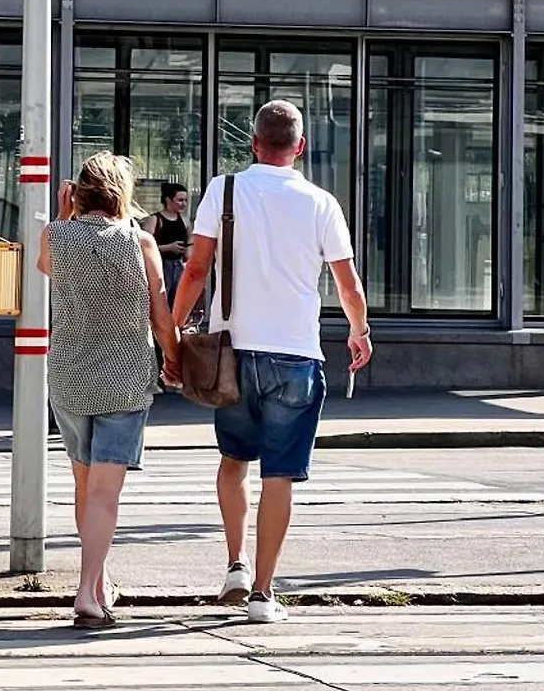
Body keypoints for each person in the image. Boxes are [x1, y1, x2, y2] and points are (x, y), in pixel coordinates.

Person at [169, 100, 372, 625]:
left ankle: (235, 565)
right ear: (300, 147)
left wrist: (171, 332)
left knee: (233, 461)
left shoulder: (223, 191)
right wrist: (358, 332)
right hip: (296, 356)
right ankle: (263, 594)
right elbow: (348, 285)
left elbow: (196, 270)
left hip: (231, 354)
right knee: (279, 476)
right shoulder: (322, 203)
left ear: (254, 143)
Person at [35, 152, 180, 629]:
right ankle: (86, 593)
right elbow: (160, 315)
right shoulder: (140, 241)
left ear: (78, 193)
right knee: (105, 494)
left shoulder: (56, 236)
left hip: (69, 377)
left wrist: (63, 217)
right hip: (122, 379)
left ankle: (98, 584)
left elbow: (45, 265)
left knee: (84, 487)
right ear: (122, 193)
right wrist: (174, 358)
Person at [145, 182, 191, 309]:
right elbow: (145, 247)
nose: (184, 204)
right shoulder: (155, 219)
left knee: (177, 302)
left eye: (185, 200)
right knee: (160, 302)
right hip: (161, 265)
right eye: (180, 200)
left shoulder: (184, 220)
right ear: (168, 200)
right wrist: (168, 247)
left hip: (179, 264)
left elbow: (191, 237)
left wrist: (188, 251)